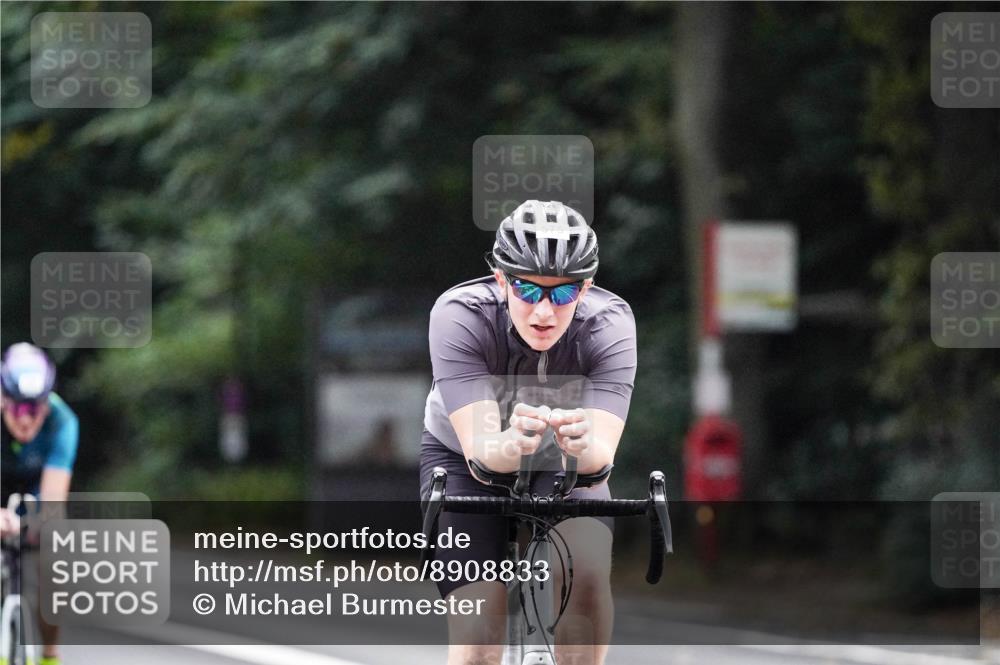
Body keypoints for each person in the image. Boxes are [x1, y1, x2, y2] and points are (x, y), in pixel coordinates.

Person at [420, 200, 637, 665]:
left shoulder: (608, 324)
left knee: (588, 576)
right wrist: (511, 443)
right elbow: (482, 454)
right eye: (526, 290)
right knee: (479, 636)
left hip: (564, 460)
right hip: (464, 458)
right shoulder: (460, 315)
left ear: (586, 288)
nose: (543, 311)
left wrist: (583, 445)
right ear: (500, 279)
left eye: (562, 295)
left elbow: (599, 456)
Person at [1, 342, 79, 665]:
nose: (27, 421)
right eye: (19, 409)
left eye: (36, 410)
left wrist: (31, 521)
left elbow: (52, 501)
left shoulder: (63, 421)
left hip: (35, 490)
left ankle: (49, 655)